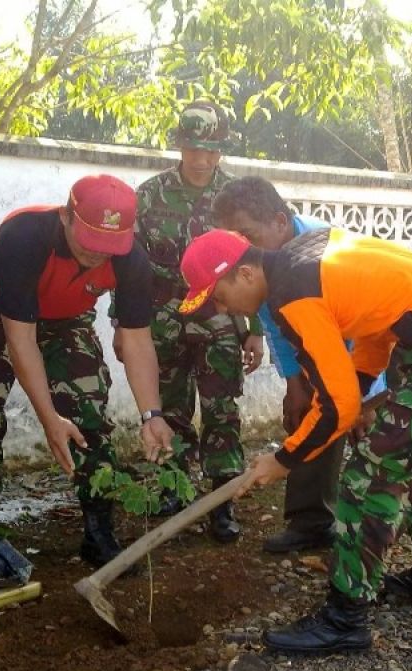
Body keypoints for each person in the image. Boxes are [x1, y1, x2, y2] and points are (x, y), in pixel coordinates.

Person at [178, 228, 412, 653]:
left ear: (245, 274)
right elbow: (376, 322)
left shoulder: (293, 292)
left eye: (220, 297)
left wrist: (283, 459)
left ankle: (345, 618)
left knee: (371, 473)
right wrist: (359, 386)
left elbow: (336, 407)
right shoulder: (305, 255)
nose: (224, 309)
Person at [0, 175, 174, 568]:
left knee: (89, 416)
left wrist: (151, 414)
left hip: (68, 320)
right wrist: (50, 418)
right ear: (67, 216)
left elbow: (137, 341)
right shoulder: (23, 236)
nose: (98, 255)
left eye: (110, 246)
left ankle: (99, 533)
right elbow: (21, 340)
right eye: (91, 243)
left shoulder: (132, 259)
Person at [131, 100, 264, 542]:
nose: (203, 158)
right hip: (165, 312)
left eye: (211, 150)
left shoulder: (235, 199)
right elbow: (130, 266)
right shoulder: (149, 195)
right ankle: (173, 487)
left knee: (222, 406)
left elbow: (254, 267)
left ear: (220, 151)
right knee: (172, 406)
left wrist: (255, 330)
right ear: (180, 146)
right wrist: (124, 322)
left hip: (219, 314)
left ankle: (221, 500)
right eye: (194, 148)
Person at [212, 177, 341, 553]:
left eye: (247, 235)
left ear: (280, 222)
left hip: (369, 345)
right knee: (306, 415)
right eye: (234, 240)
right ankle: (311, 523)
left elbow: (363, 330)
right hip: (318, 344)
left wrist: (368, 393)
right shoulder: (264, 261)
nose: (242, 250)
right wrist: (294, 384)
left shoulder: (320, 252)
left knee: (366, 430)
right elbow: (272, 321)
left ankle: (370, 551)